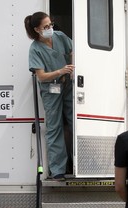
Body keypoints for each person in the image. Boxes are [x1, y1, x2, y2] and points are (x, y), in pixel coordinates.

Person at [24, 12, 74, 180]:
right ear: (37, 29)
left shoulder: (60, 36)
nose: (50, 29)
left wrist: (73, 68)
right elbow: (42, 76)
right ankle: (58, 169)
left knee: (77, 121)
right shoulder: (35, 49)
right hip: (51, 89)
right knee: (54, 128)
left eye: (51, 25)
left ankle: (80, 162)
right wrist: (60, 70)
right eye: (46, 27)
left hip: (68, 85)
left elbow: (73, 50)